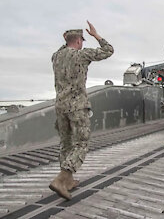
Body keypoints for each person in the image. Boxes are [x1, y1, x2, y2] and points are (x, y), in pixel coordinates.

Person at [49, 21, 114, 200]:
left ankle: (68, 181)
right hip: (77, 106)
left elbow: (64, 48)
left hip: (60, 106)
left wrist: (67, 38)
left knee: (66, 143)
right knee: (81, 143)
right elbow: (109, 50)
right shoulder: (82, 55)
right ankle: (61, 178)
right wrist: (96, 35)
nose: (83, 44)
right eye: (82, 41)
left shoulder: (56, 56)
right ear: (78, 42)